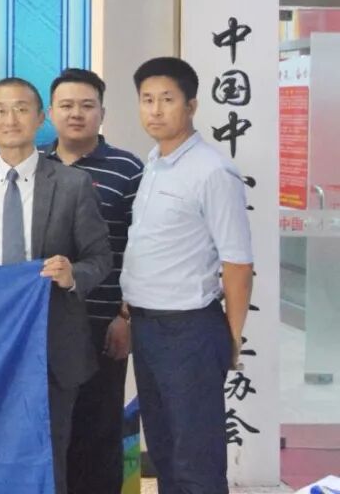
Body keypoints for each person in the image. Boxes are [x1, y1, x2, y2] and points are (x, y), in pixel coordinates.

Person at [0, 76, 112, 494]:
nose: (10, 119)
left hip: (53, 345)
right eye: (0, 110)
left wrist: (73, 275)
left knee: (48, 452)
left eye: (21, 109)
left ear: (40, 118)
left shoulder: (72, 184)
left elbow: (100, 258)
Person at [122, 57, 253, 493]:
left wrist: (232, 338)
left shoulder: (212, 171)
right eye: (147, 100)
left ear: (191, 106)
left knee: (196, 458)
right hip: (147, 326)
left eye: (167, 99)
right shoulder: (154, 163)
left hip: (190, 329)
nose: (155, 110)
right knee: (164, 450)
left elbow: (238, 263)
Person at [43, 68, 144, 494]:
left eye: (87, 105)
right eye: (66, 105)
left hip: (103, 324)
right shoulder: (34, 165)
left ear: (102, 112)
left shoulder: (128, 168)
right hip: (45, 325)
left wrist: (126, 316)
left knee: (98, 433)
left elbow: (142, 249)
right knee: (50, 434)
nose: (76, 114)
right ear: (50, 112)